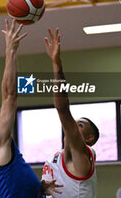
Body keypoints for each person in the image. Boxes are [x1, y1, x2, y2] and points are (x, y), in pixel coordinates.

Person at [0, 19, 63, 198]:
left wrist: (37, 187)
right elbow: (9, 96)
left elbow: (5, 183)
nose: (1, 120)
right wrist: (11, 49)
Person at [41, 28, 99, 198]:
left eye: (79, 125)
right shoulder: (56, 157)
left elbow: (63, 108)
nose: (73, 124)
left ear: (89, 139)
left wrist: (56, 64)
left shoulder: (82, 158)